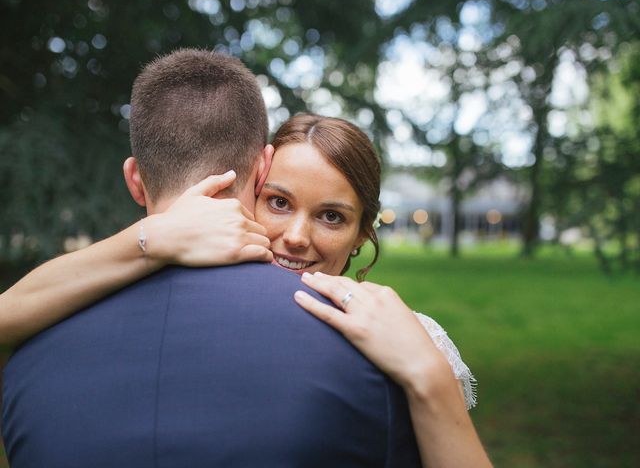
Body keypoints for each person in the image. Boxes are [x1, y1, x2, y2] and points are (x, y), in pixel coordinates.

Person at [1, 50, 491, 467]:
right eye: (279, 202)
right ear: (260, 175)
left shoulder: (32, 351)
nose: (296, 237)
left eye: (332, 217)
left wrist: (429, 374)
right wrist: (150, 238)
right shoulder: (367, 369)